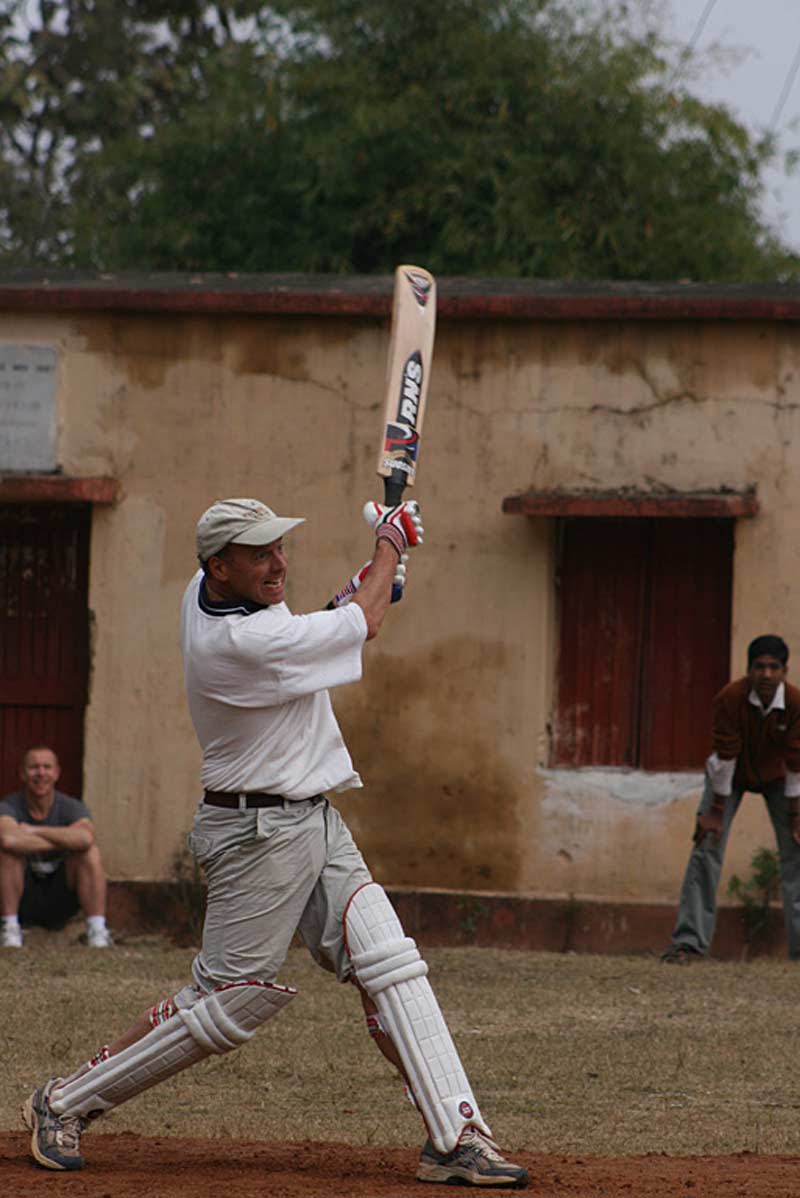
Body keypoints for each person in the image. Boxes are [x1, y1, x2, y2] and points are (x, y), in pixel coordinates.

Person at [22, 497, 528, 1189]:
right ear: (219, 565)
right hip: (255, 834)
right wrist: (386, 548)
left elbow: (330, 627)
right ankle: (63, 1102)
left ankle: (456, 1135)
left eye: (280, 548)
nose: (279, 563)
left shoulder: (210, 594)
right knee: (230, 1004)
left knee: (388, 960)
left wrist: (361, 586)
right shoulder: (239, 642)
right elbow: (361, 627)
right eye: (260, 554)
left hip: (313, 816)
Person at [661, 634, 800, 964]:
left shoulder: (796, 704)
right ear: (749, 670)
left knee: (797, 850)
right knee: (707, 845)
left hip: (780, 777)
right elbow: (725, 755)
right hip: (731, 775)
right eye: (759, 667)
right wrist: (716, 812)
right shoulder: (730, 698)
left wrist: (796, 816)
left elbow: (797, 761)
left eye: (774, 668)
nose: (766, 675)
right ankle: (689, 944)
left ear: (785, 671)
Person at [0, 746, 113, 950]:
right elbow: (9, 839)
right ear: (23, 774)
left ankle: (97, 932)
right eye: (34, 767)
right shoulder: (9, 805)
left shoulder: (72, 807)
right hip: (23, 896)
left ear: (56, 773)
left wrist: (33, 831)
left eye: (47, 767)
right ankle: (9, 930)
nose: (41, 773)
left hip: (62, 896)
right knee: (7, 855)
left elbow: (86, 838)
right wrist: (64, 837)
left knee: (89, 853)